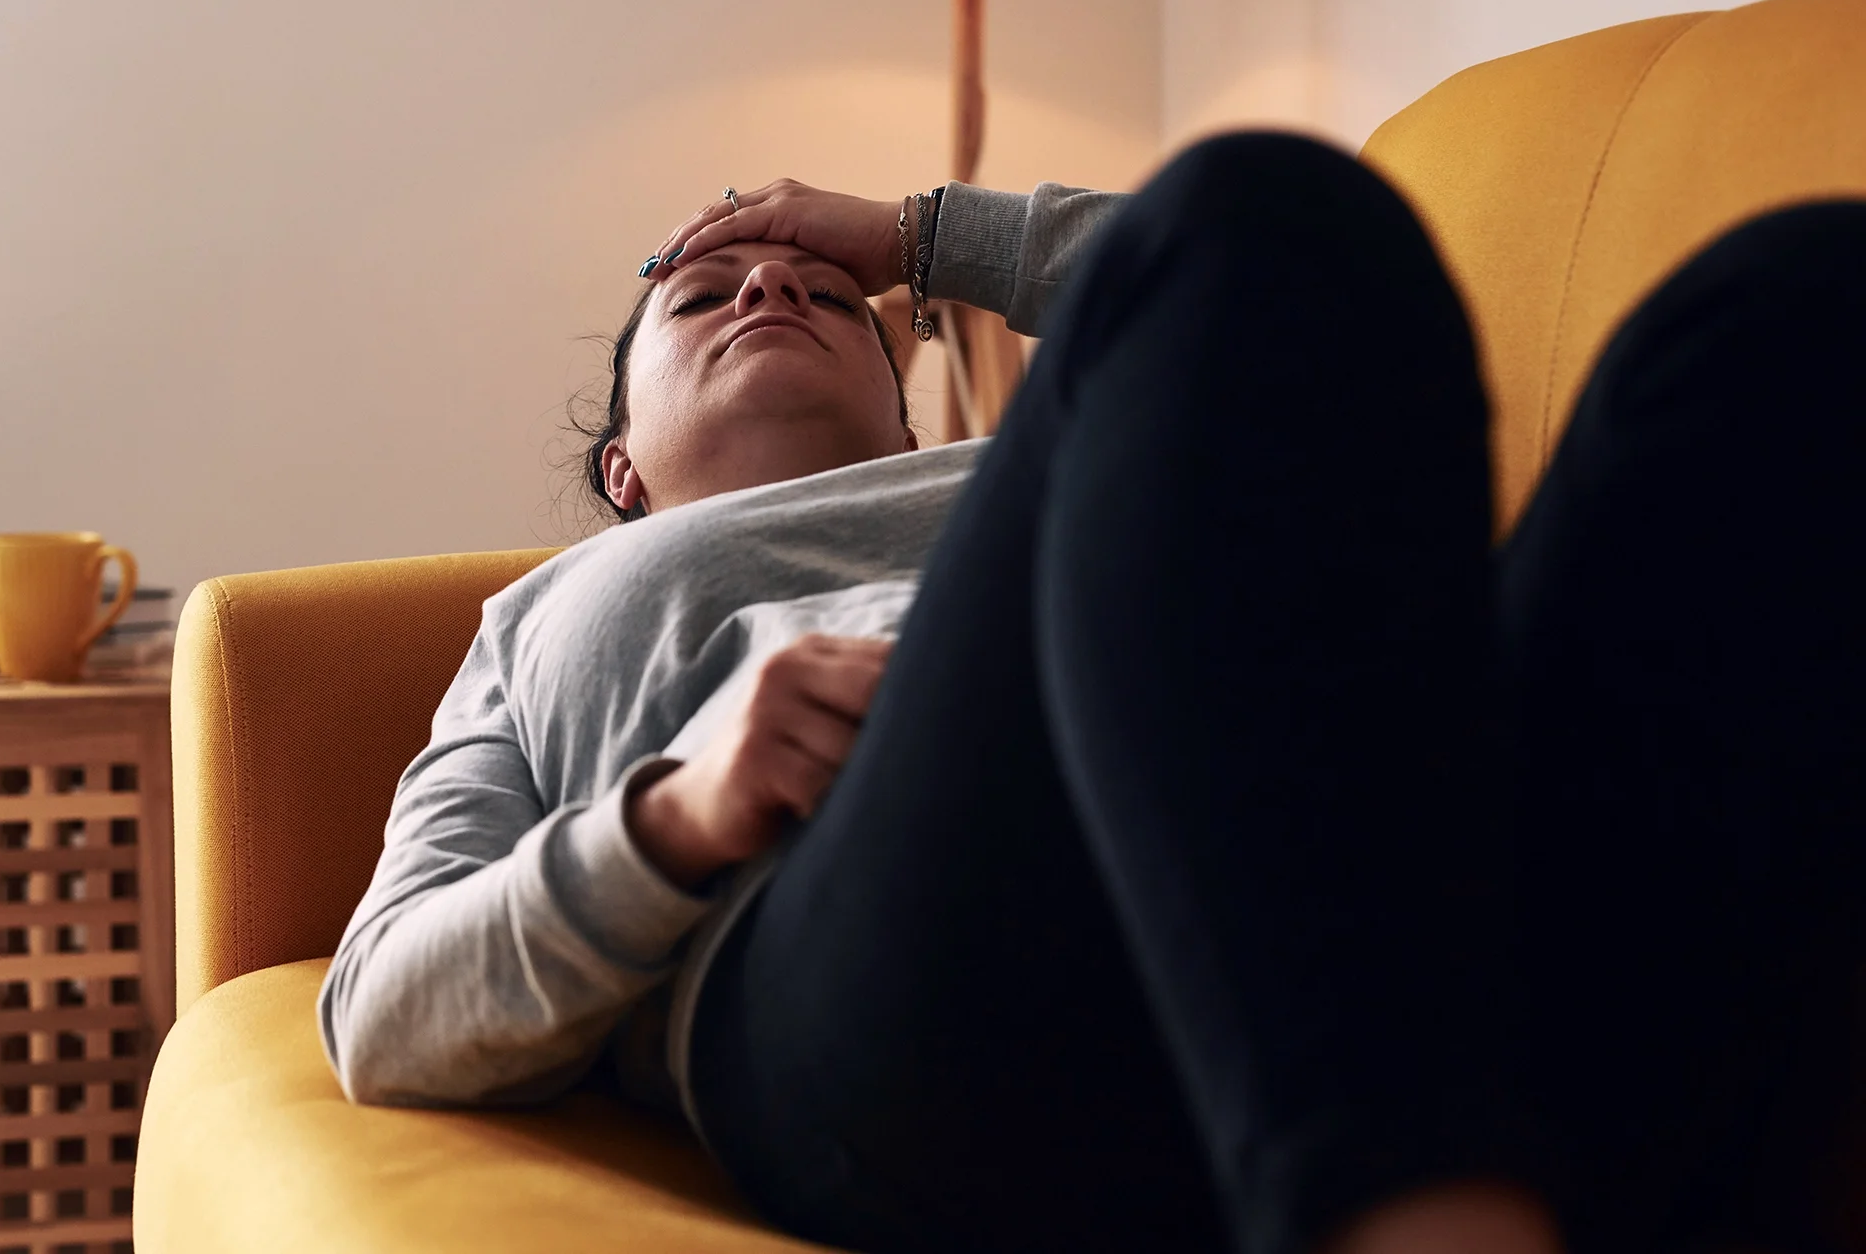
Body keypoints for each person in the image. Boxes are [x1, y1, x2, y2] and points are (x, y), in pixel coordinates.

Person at [317, 132, 1866, 1254]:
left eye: (821, 289)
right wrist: (676, 810)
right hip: (917, 980)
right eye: (704, 293)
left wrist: (920, 234)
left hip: (1375, 860)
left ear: (914, 400)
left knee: (1793, 304)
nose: (771, 283)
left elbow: (1301, 300)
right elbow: (383, 1008)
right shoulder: (534, 620)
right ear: (623, 464)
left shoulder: (1049, 467)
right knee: (1238, 216)